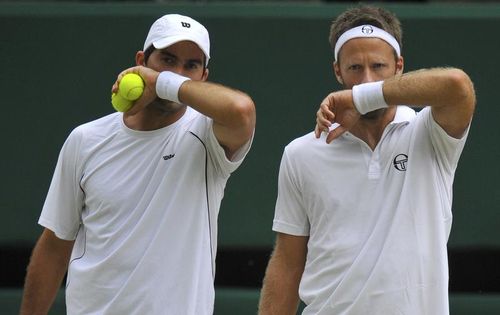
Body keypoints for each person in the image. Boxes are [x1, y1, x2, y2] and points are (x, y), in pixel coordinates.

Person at [20, 14, 255, 314]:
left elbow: (241, 110)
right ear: (141, 60)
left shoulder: (208, 135)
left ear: (203, 77)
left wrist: (161, 81)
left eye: (191, 66)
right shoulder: (85, 140)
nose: (179, 72)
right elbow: (54, 246)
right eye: (168, 60)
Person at [259, 5, 475, 315]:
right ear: (338, 71)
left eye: (378, 66)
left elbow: (457, 86)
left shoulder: (429, 134)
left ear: (399, 67)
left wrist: (362, 97)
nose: (367, 78)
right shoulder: (301, 153)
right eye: (355, 68)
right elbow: (288, 264)